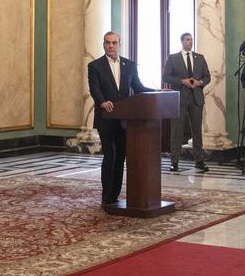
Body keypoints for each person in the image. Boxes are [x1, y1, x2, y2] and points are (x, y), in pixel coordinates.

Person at [88, 31, 154, 208]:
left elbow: (138, 87)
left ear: (119, 44)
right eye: (107, 43)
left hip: (125, 119)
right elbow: (95, 89)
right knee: (110, 155)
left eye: (114, 43)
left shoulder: (129, 65)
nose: (111, 46)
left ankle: (115, 196)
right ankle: (106, 197)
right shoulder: (95, 66)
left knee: (121, 157)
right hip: (106, 118)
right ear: (103, 44)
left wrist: (157, 92)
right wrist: (103, 102)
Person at [163, 32, 211, 172]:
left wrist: (200, 82)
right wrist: (181, 81)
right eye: (188, 40)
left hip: (196, 98)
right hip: (179, 99)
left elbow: (207, 77)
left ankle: (199, 161)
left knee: (197, 131)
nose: (190, 42)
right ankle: (175, 161)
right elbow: (166, 77)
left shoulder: (200, 58)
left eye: (191, 40)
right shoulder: (173, 58)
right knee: (177, 130)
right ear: (182, 41)